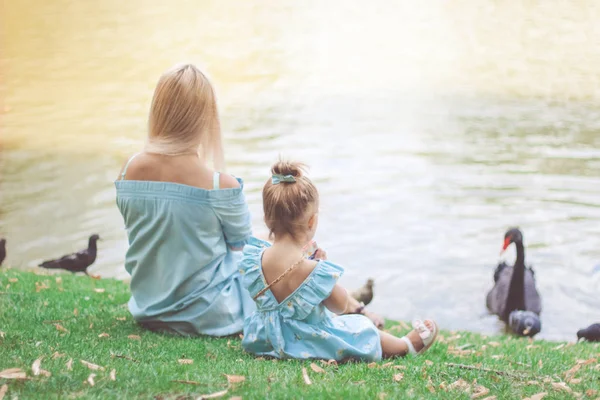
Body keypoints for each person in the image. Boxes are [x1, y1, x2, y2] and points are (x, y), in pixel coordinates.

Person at [241, 161, 438, 361]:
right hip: (305, 342)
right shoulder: (313, 269)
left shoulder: (254, 258)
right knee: (360, 328)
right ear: (312, 221)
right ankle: (404, 346)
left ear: (266, 218)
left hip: (264, 339)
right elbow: (339, 306)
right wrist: (322, 269)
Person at [115, 64, 254, 336]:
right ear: (206, 117)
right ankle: (346, 305)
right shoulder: (219, 184)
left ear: (158, 111)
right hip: (212, 314)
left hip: (149, 309)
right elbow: (242, 245)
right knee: (280, 259)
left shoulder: (128, 170)